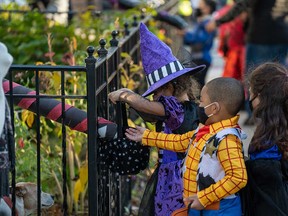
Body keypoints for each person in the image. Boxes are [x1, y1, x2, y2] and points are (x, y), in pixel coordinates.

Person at [109, 23, 206, 216]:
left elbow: (146, 106)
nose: (155, 97)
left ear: (173, 86)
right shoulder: (185, 107)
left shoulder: (175, 109)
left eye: (158, 91)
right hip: (176, 173)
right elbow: (148, 109)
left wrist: (125, 95)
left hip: (176, 178)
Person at [126, 77, 248, 216]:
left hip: (220, 209)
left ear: (214, 108)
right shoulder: (207, 131)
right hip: (203, 206)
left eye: (202, 101)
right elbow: (180, 142)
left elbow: (238, 177)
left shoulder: (227, 139)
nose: (199, 105)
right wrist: (146, 136)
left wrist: (203, 198)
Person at [206, 0, 288, 125]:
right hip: (282, 34)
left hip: (260, 36)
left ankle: (255, 114)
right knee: (280, 76)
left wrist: (218, 21)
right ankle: (280, 112)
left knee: (255, 77)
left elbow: (242, 3)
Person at [241, 63, 288, 216]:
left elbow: (268, 201)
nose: (250, 100)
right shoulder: (279, 129)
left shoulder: (267, 143)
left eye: (250, 93)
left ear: (260, 97)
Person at [183, 0, 217, 87]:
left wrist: (186, 34)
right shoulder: (202, 22)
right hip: (198, 57)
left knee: (198, 85)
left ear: (207, 9)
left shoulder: (208, 23)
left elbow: (200, 39)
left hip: (202, 58)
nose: (197, 8)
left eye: (200, 6)